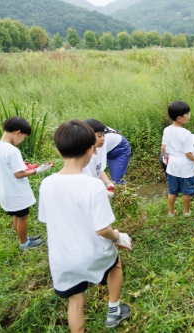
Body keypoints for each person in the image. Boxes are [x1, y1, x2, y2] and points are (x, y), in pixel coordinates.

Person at [38, 120, 132, 332]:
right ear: (91, 148)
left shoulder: (47, 184)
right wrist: (118, 237)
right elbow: (102, 229)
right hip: (92, 253)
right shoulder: (93, 185)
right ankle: (114, 311)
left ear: (58, 150)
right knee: (115, 265)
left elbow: (48, 219)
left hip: (62, 259)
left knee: (75, 300)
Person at [0, 116, 53, 249]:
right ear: (17, 132)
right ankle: (25, 243)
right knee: (22, 217)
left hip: (6, 190)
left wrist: (25, 166)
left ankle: (22, 237)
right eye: (24, 136)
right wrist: (37, 170)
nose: (23, 139)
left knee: (17, 216)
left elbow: (4, 167)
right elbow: (18, 174)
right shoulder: (12, 150)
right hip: (16, 191)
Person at [161, 101, 194, 216]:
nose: (189, 115)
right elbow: (188, 153)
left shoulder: (167, 130)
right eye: (187, 113)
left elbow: (163, 147)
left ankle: (171, 212)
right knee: (186, 192)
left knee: (172, 191)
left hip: (172, 166)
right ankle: (186, 211)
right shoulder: (186, 133)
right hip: (185, 168)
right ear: (179, 118)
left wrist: (166, 158)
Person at [82, 119, 115, 197]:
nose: (103, 138)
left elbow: (99, 169)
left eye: (103, 135)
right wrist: (103, 192)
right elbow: (89, 182)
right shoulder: (87, 158)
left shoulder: (97, 150)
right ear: (88, 136)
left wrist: (108, 183)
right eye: (99, 136)